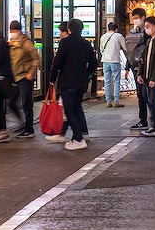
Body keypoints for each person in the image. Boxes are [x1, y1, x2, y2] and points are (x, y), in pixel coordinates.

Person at [49, 19, 97, 150]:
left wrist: (52, 79)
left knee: (69, 110)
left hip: (68, 81)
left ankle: (78, 139)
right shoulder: (86, 44)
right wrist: (85, 74)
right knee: (76, 108)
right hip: (81, 83)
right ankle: (81, 134)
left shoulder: (65, 42)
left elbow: (57, 62)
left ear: (69, 30)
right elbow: (93, 63)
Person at [0, 21, 21, 143]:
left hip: (2, 78)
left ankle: (2, 130)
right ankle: (3, 131)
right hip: (1, 78)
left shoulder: (0, 44)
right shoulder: (0, 42)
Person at [8, 21, 40, 139]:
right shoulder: (13, 43)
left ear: (18, 30)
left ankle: (29, 129)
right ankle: (23, 125)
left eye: (13, 31)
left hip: (25, 77)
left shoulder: (26, 43)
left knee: (26, 104)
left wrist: (31, 73)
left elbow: (36, 58)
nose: (12, 33)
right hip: (16, 77)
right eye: (11, 31)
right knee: (12, 102)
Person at [124, 9, 150, 129]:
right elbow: (130, 52)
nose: (135, 20)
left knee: (148, 95)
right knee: (140, 95)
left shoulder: (149, 32)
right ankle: (143, 120)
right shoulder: (133, 32)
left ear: (143, 17)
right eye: (133, 18)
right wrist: (127, 67)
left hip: (146, 68)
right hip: (136, 68)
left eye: (137, 18)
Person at [99, 22, 125, 107]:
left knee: (107, 82)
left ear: (108, 28)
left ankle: (108, 101)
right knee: (116, 82)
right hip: (115, 61)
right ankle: (116, 101)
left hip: (105, 61)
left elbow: (101, 49)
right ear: (116, 29)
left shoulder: (103, 37)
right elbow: (125, 47)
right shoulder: (118, 36)